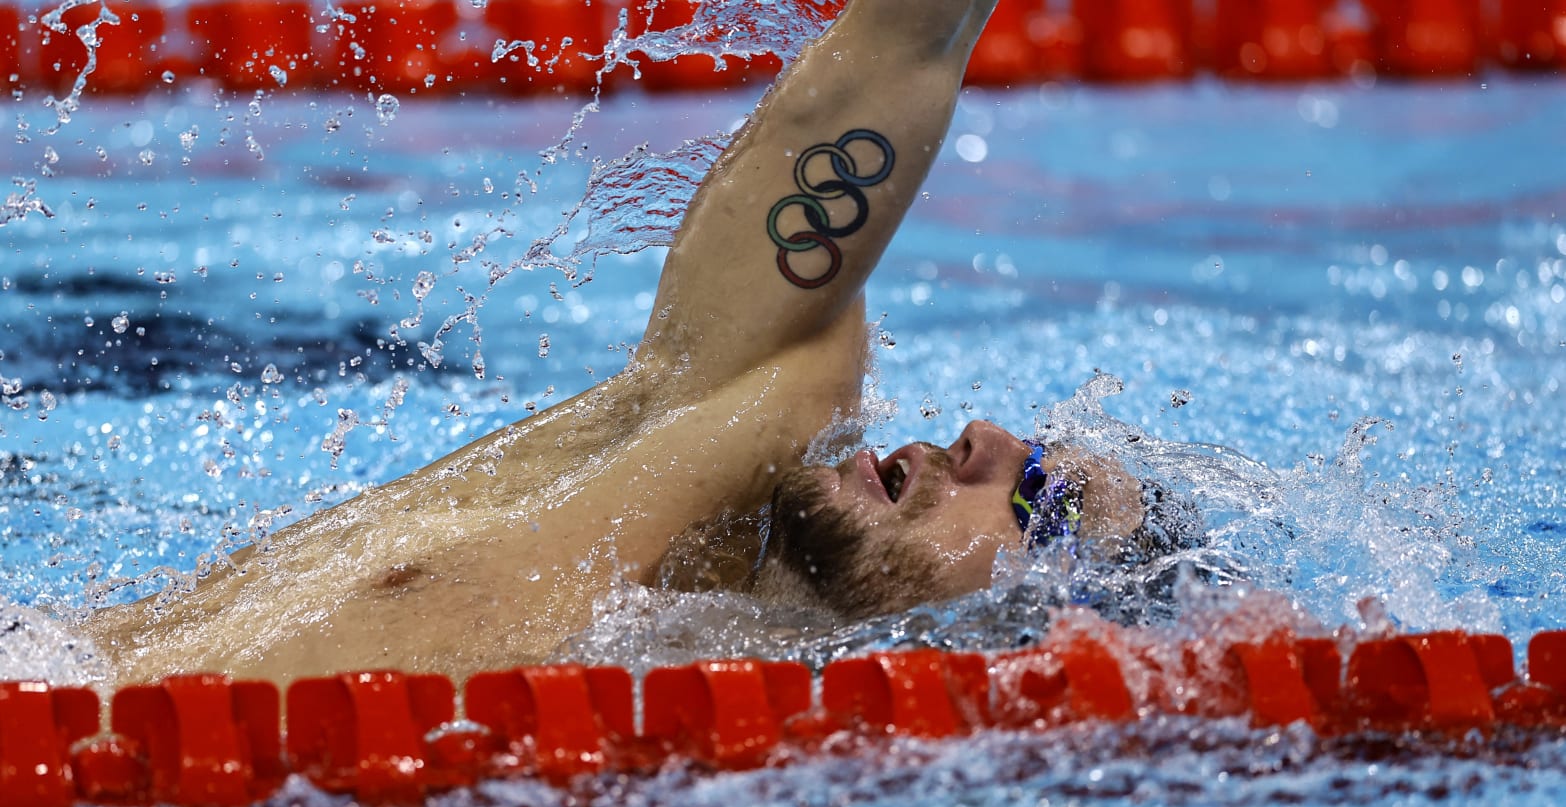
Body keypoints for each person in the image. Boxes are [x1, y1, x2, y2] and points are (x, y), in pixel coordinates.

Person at [85, 0, 1160, 686]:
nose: (984, 433)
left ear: (1039, 636)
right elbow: (903, 41)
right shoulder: (731, 428)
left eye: (1040, 501)